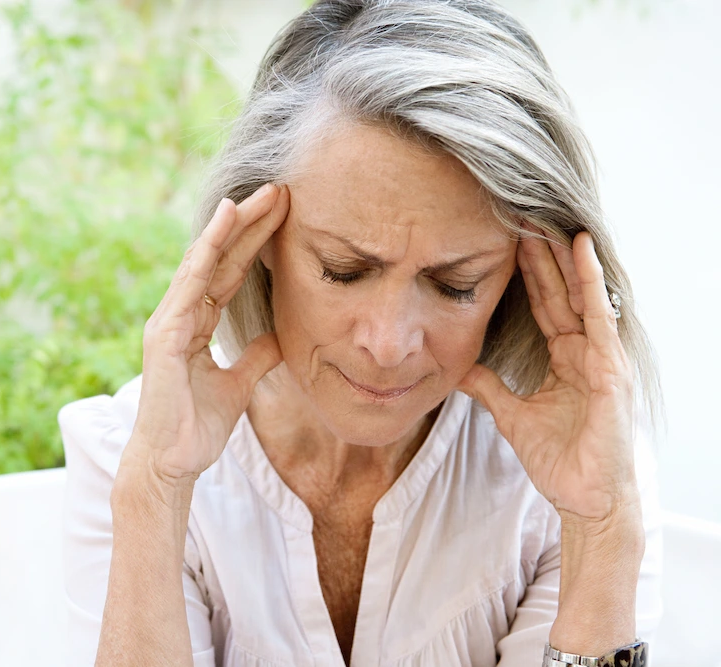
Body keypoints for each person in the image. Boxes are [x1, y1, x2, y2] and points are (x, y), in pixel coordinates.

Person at [58, 0, 663, 665]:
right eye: (343, 270)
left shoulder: (583, 466)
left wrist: (601, 530)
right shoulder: (132, 451)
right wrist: (157, 491)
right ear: (258, 236)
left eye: (455, 284)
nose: (389, 342)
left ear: (523, 273)